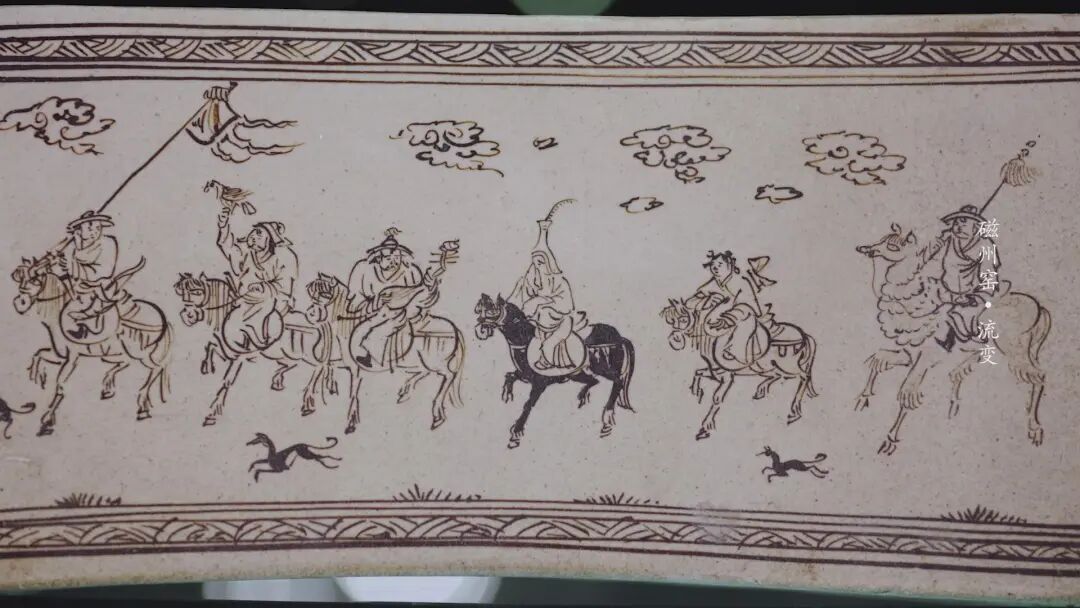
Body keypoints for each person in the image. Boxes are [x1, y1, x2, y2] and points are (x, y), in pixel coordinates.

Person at [217, 207, 298, 351]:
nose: (253, 236)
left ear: (270, 238)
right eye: (253, 231)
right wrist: (223, 227)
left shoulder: (286, 257)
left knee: (267, 308)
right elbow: (229, 249)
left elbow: (284, 288)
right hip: (246, 299)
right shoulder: (247, 252)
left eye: (259, 233)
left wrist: (263, 288)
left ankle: (259, 337)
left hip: (273, 302)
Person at [509, 219, 585, 370]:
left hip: (560, 321)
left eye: (540, 262)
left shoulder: (561, 282)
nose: (537, 266)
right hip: (540, 323)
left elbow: (566, 305)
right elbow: (524, 298)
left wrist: (541, 301)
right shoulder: (534, 282)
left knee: (549, 344)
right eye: (535, 263)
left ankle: (552, 362)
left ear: (549, 263)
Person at [926, 204, 1000, 352]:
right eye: (956, 223)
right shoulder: (948, 239)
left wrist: (977, 297)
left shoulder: (985, 245)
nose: (958, 227)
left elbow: (989, 276)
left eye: (964, 223)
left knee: (961, 314)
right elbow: (933, 264)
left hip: (973, 295)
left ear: (976, 227)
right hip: (944, 291)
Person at [346, 228, 424, 367]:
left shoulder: (410, 272)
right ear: (378, 258)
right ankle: (369, 358)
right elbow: (354, 305)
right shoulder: (364, 270)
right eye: (388, 258)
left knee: (380, 332)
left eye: (397, 258)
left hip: (399, 316)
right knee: (363, 332)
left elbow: (418, 298)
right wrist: (375, 304)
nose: (393, 262)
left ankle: (377, 360)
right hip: (374, 315)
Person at [686, 250, 773, 366]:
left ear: (730, 265)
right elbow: (690, 302)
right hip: (716, 323)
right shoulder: (713, 283)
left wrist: (730, 312)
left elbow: (751, 307)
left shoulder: (741, 282)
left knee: (744, 316)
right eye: (713, 265)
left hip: (742, 318)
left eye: (720, 264)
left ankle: (737, 352)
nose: (715, 268)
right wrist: (706, 301)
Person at [55, 210, 123, 339]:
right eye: (89, 227)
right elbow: (70, 264)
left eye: (98, 228)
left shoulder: (108, 243)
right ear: (80, 230)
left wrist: (72, 267)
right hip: (80, 286)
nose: (94, 231)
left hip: (100, 286)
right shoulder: (77, 245)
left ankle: (87, 327)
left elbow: (103, 272)